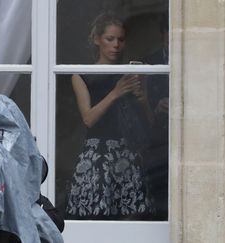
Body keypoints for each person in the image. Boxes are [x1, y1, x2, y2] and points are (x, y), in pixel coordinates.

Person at [65, 13, 156, 220]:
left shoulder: (130, 74)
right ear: (97, 40)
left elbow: (150, 125)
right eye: (110, 39)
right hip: (97, 155)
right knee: (94, 214)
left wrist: (143, 102)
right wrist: (115, 93)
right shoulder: (81, 74)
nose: (116, 45)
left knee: (132, 217)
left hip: (128, 154)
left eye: (121, 40)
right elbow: (88, 119)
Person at [142, 12, 170, 220]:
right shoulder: (149, 62)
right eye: (170, 36)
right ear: (163, 35)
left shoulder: (196, 60)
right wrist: (157, 108)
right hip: (156, 140)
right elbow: (139, 103)